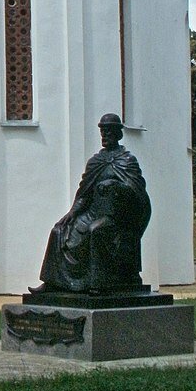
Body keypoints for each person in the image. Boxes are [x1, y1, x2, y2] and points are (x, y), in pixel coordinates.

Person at [33, 113, 151, 294]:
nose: (105, 136)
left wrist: (116, 185)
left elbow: (137, 192)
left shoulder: (127, 160)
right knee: (58, 230)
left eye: (109, 132)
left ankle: (98, 283)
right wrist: (72, 212)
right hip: (92, 212)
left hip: (117, 216)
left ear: (119, 134)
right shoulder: (95, 162)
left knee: (96, 230)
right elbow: (84, 193)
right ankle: (53, 282)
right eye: (103, 132)